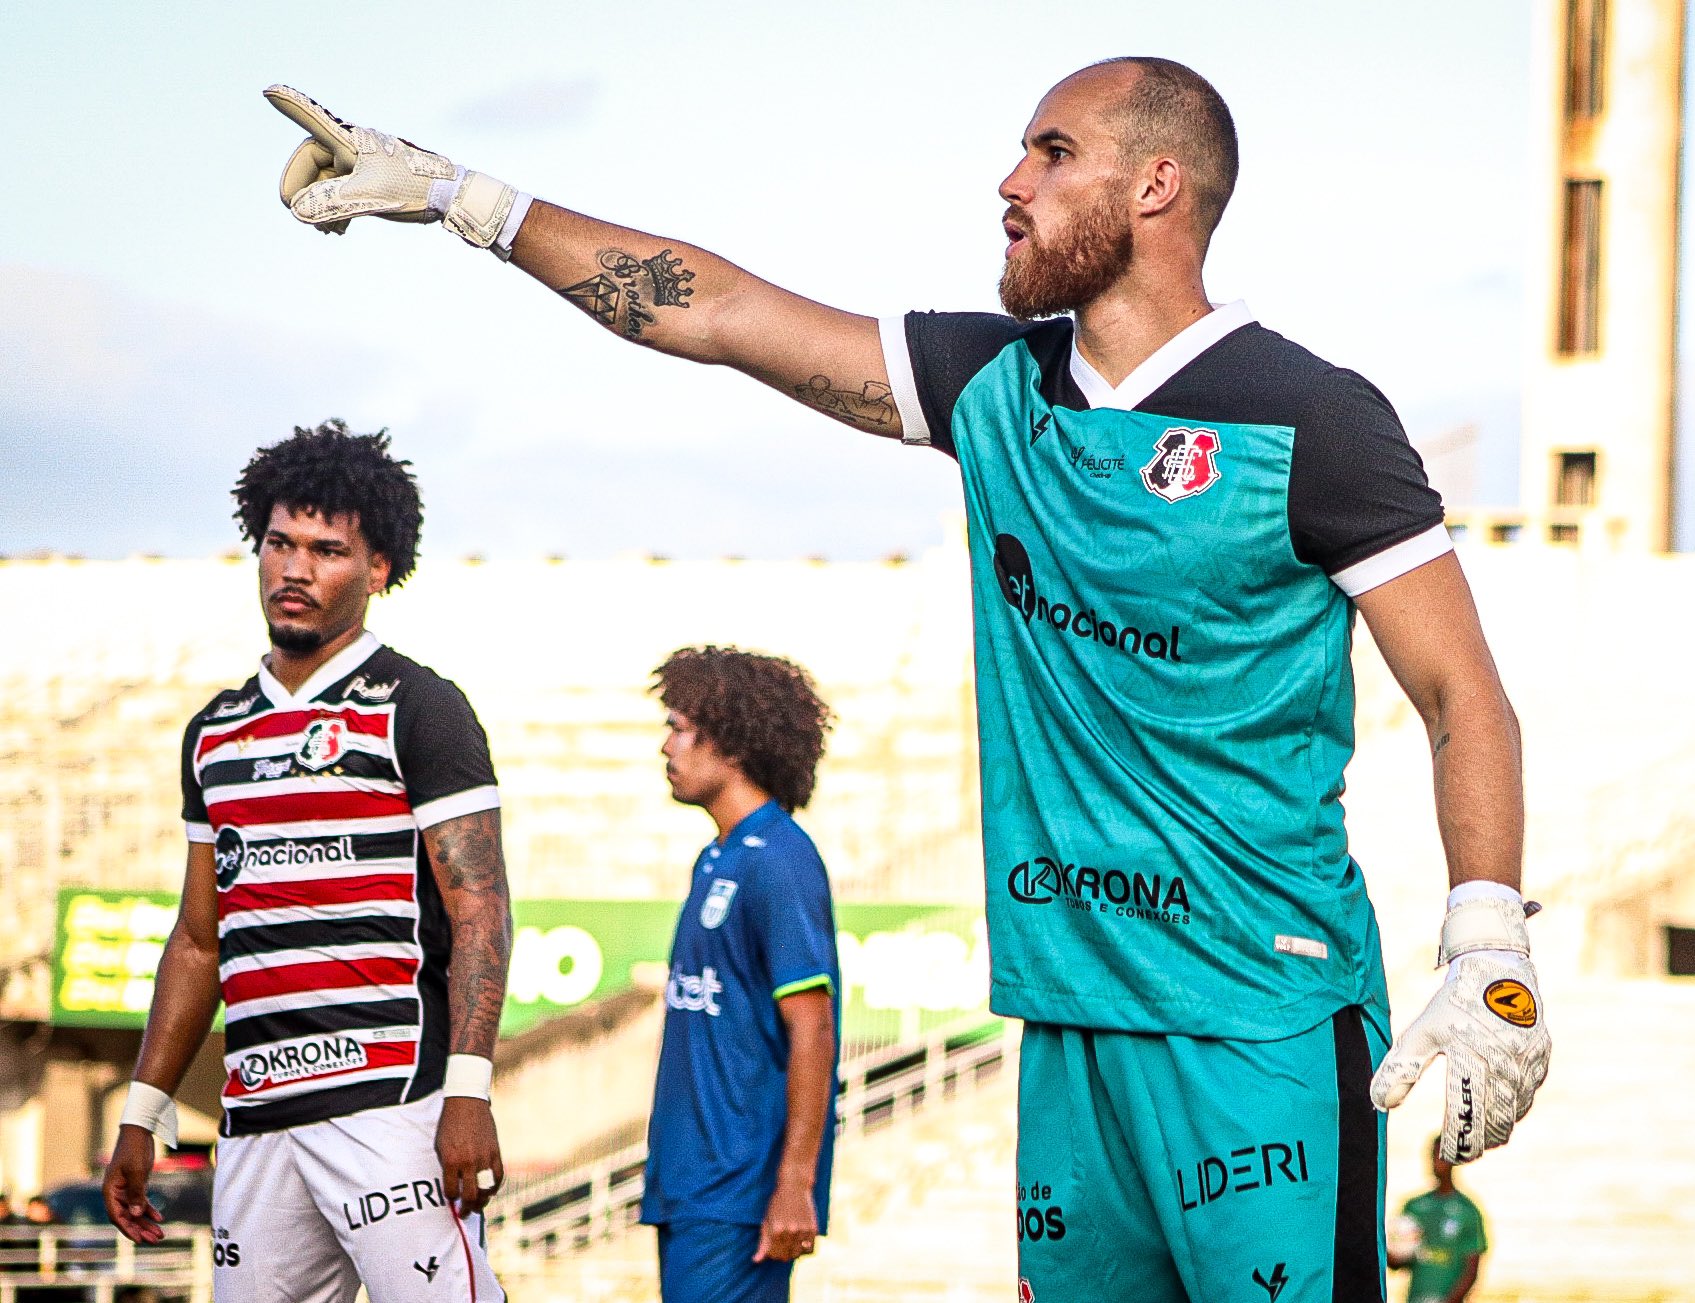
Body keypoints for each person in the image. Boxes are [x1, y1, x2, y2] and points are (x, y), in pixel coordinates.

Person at [264, 57, 1552, 1302]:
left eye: (1053, 153)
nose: (1012, 181)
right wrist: (469, 200)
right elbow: (719, 311)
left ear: (1157, 185)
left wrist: (1488, 937)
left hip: (1260, 1018)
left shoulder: (1314, 419)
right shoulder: (996, 382)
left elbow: (1463, 696)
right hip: (1070, 1019)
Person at [102, 422, 511, 1303]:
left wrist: (469, 1091)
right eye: (280, 543)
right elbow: (199, 941)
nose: (295, 568)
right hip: (256, 1118)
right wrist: (144, 1108)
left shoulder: (418, 706)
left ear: (377, 568)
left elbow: (480, 907)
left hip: (391, 1107)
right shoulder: (215, 732)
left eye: (327, 550)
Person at [639, 647, 839, 1303]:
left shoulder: (780, 859)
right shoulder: (715, 857)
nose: (666, 745)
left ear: (731, 741)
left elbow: (813, 1028)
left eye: (679, 728)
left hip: (741, 1195)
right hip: (689, 1185)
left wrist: (796, 1183)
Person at [1388, 1139, 1489, 1303]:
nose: (1435, 1161)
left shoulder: (1468, 1211)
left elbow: (1471, 1271)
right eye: (1432, 1155)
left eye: (1441, 1156)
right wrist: (1391, 1254)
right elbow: (1398, 1262)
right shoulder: (1414, 1207)